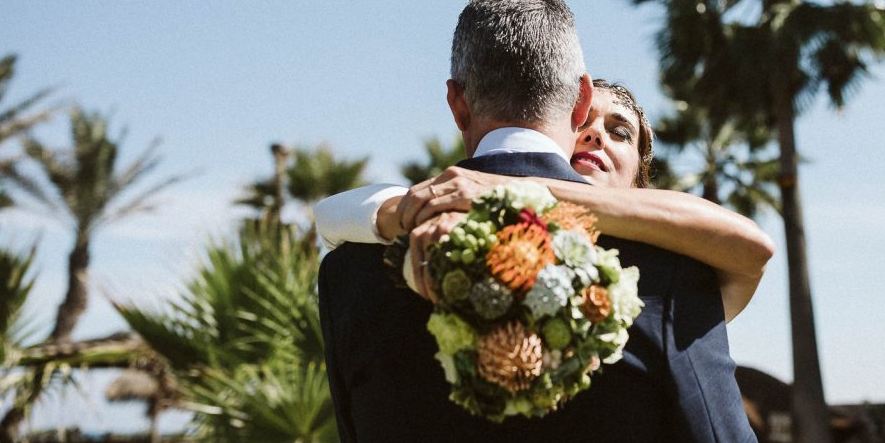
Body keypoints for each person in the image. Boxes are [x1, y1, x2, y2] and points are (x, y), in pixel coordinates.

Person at [317, 0, 760, 443]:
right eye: (592, 127)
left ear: (457, 104)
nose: (597, 142)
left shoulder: (350, 275)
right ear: (580, 100)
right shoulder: (670, 274)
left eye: (620, 134)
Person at [316, 78, 773, 322]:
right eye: (583, 124)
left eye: (620, 133)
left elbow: (752, 247)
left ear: (640, 179)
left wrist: (512, 190)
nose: (596, 134)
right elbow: (331, 215)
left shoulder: (678, 268)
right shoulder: (469, 222)